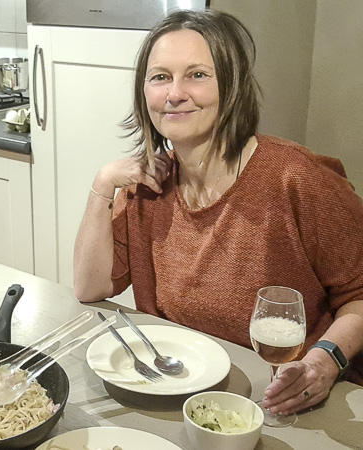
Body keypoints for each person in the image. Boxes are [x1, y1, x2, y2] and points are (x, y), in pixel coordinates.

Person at [73, 9, 363, 416]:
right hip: (178, 393)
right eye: (160, 77)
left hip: (285, 397)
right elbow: (90, 288)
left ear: (232, 85)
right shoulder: (148, 184)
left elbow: (359, 293)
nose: (174, 93)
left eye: (197, 75)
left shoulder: (297, 178)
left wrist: (325, 360)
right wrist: (103, 182)